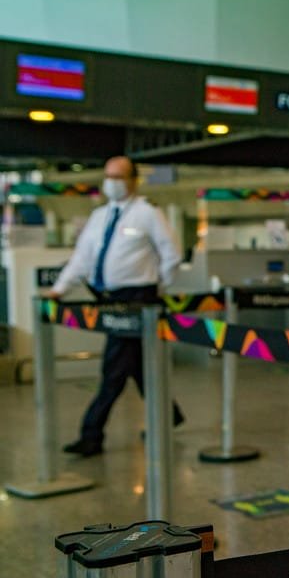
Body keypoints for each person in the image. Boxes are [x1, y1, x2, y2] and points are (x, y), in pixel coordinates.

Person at [47, 156, 183, 457]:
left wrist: (157, 288)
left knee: (114, 370)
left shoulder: (148, 214)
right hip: (110, 299)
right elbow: (82, 258)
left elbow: (171, 254)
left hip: (138, 299)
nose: (112, 183)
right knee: (137, 367)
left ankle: (91, 435)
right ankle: (169, 415)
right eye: (108, 176)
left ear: (133, 181)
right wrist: (59, 289)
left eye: (119, 177)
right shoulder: (99, 217)